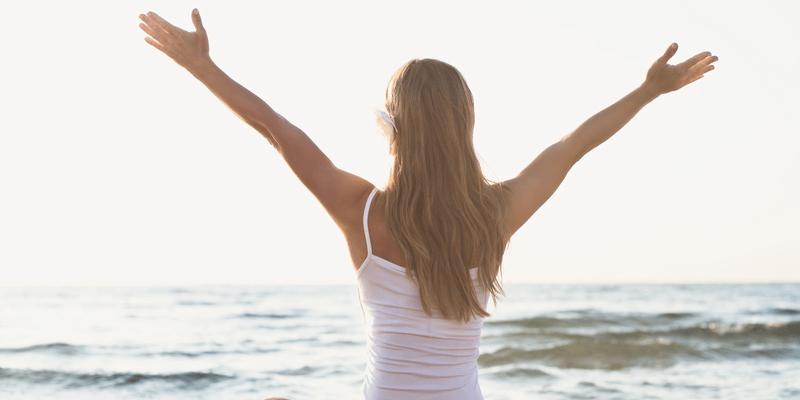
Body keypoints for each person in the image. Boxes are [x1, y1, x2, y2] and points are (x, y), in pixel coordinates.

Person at [139, 9, 717, 400]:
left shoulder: (360, 211)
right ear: (464, 125)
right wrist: (649, 91)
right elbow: (572, 147)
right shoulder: (495, 214)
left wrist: (201, 67)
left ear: (392, 127)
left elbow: (275, 129)